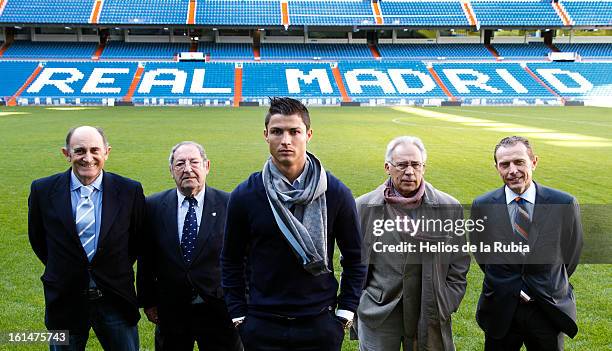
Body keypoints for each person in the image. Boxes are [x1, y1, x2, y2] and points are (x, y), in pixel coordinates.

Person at [221, 97, 367, 351]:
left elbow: (356, 258)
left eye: (294, 131)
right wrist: (239, 316)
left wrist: (344, 313)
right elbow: (231, 259)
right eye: (277, 131)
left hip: (320, 322)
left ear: (308, 134)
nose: (285, 140)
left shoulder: (335, 192)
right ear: (266, 135)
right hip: (262, 325)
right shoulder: (246, 195)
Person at [28, 126, 144, 350]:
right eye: (79, 150)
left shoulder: (130, 190)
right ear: (67, 154)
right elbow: (39, 240)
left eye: (95, 150)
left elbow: (137, 242)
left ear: (107, 152)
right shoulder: (42, 190)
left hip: (115, 298)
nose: (88, 158)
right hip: (64, 298)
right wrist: (68, 267)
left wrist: (108, 268)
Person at [353, 136, 470, 351]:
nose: (409, 171)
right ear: (388, 167)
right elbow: (352, 260)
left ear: (424, 167)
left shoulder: (448, 207)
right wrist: (360, 299)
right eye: (402, 165)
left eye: (415, 164)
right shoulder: (363, 206)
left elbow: (460, 260)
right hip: (378, 309)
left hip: (427, 307)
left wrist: (447, 300)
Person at [470, 136, 583, 351]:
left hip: (546, 309)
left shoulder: (564, 203)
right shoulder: (482, 205)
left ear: (534, 162)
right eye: (505, 164)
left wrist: (543, 280)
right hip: (501, 308)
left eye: (519, 162)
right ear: (497, 168)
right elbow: (482, 254)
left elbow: (572, 253)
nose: (512, 170)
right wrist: (509, 282)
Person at [137, 141, 242, 351]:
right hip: (171, 311)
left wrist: (241, 304)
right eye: (179, 164)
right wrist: (148, 301)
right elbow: (146, 258)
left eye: (194, 162)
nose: (187, 169)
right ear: (171, 170)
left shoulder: (229, 204)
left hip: (219, 310)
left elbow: (243, 259)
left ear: (207, 166)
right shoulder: (153, 206)